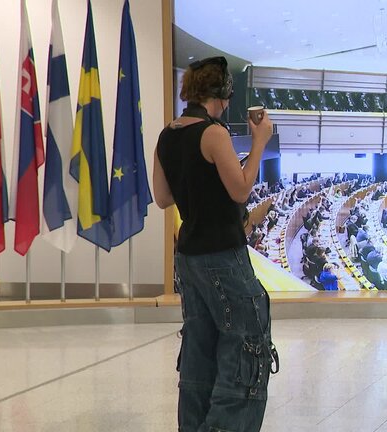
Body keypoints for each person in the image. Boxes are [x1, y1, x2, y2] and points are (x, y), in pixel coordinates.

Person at [153, 56, 276, 432]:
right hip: (223, 258)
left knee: (199, 356)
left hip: (189, 258)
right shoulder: (213, 133)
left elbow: (162, 197)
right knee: (244, 348)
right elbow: (240, 187)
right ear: (222, 94)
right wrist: (259, 143)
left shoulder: (167, 134)